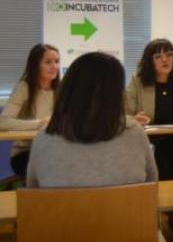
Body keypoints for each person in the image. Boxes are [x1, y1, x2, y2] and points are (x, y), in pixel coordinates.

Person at [27, 52, 157, 187]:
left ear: (68, 89)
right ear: (117, 94)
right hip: (124, 207)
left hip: (63, 208)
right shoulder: (134, 132)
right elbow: (152, 183)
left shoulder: (44, 137)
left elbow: (33, 189)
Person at [124, 38, 173, 237]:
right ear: (149, 61)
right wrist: (134, 118)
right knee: (161, 166)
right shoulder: (137, 82)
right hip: (151, 144)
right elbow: (124, 114)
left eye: (169, 54)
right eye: (158, 56)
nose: (165, 60)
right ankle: (163, 218)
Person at [1, 44, 60, 176]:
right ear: (36, 65)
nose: (54, 66)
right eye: (48, 62)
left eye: (57, 61)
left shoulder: (61, 91)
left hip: (53, 150)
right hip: (25, 153)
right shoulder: (24, 88)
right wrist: (38, 123)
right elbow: (2, 122)